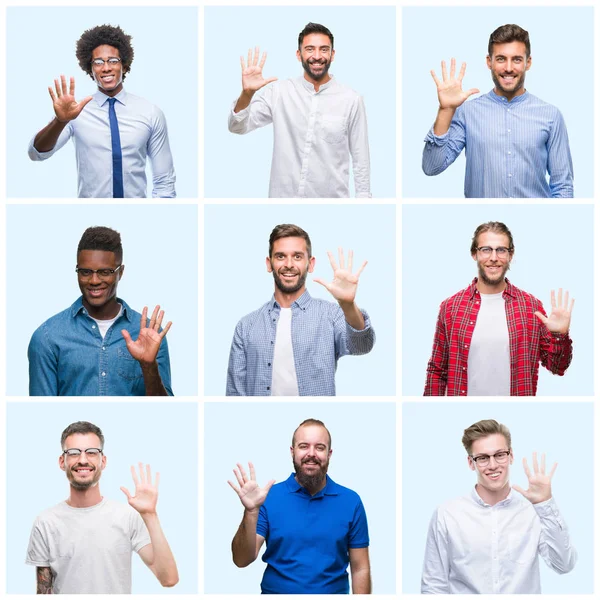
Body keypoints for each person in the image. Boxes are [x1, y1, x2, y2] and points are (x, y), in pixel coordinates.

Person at [421, 419, 577, 594]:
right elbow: (434, 586)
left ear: (511, 456)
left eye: (500, 455)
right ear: (471, 463)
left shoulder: (533, 512)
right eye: (483, 458)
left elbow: (564, 565)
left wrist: (545, 503)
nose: (493, 465)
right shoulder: (447, 514)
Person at [26, 421, 179, 593]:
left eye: (91, 452)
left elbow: (169, 579)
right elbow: (43, 591)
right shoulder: (46, 522)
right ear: (62, 461)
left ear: (103, 461)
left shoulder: (126, 517)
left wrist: (150, 515)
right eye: (74, 453)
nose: (83, 460)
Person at [422, 24, 573, 198]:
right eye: (501, 59)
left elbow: (563, 187)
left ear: (528, 62)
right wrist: (446, 110)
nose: (508, 68)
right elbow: (431, 167)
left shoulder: (551, 116)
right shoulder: (467, 112)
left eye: (516, 59)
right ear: (489, 62)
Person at [424, 221, 573, 396]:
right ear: (474, 254)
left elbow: (557, 367)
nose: (493, 257)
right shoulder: (451, 307)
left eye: (501, 250)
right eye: (486, 249)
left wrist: (560, 336)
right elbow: (437, 371)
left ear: (511, 255)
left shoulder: (531, 307)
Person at [28, 24, 176, 198]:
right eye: (98, 62)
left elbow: (164, 181)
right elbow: (36, 154)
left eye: (113, 61)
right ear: (90, 69)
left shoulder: (150, 113)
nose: (106, 68)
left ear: (125, 66)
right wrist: (60, 121)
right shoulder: (75, 113)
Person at [226, 224, 374, 396]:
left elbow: (363, 345)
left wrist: (348, 305)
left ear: (310, 264)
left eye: (297, 256)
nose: (289, 264)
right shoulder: (246, 326)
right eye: (281, 256)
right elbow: (234, 394)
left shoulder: (330, 315)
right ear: (269, 263)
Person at [228, 22, 371, 198]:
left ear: (332, 54)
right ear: (299, 54)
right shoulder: (279, 92)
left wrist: (364, 199)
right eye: (310, 49)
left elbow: (360, 157)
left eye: (324, 49)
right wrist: (247, 94)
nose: (317, 56)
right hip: (282, 198)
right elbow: (237, 127)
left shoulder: (351, 99)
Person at [228, 419, 371, 594]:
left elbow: (360, 568)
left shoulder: (351, 501)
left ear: (329, 454)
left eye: (319, 447)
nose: (311, 454)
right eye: (304, 446)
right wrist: (250, 511)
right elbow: (241, 559)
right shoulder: (268, 498)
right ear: (292, 451)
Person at [28, 226, 173, 396]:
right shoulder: (47, 337)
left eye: (105, 272)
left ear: (121, 272)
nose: (94, 280)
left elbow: (164, 408)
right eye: (86, 272)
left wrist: (149, 367)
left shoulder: (150, 334)